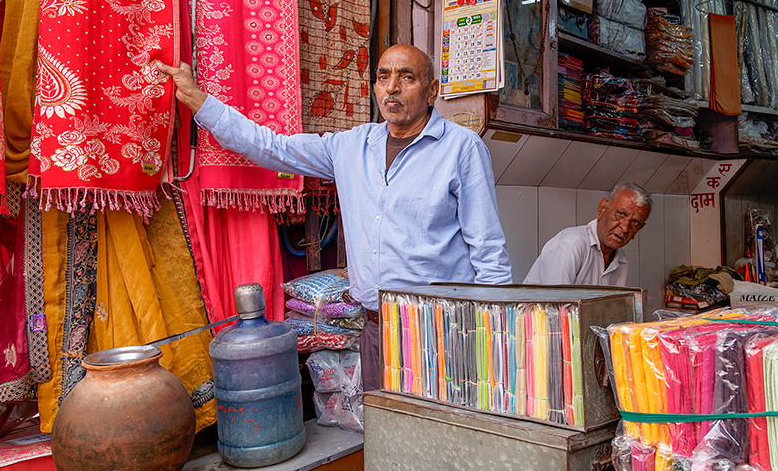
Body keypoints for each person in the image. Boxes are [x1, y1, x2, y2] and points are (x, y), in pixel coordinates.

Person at [156, 44, 512, 391]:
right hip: (377, 329)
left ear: (431, 90)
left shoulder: (461, 148)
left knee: (445, 422)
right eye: (383, 77)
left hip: (443, 327)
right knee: (385, 425)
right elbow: (272, 147)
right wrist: (200, 101)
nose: (392, 87)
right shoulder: (352, 146)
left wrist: (495, 334)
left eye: (407, 77)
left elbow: (488, 249)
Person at [524, 183, 651, 286]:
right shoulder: (572, 244)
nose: (625, 228)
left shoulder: (621, 261)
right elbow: (554, 304)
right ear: (601, 209)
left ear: (639, 229)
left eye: (635, 222)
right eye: (621, 214)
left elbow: (611, 306)